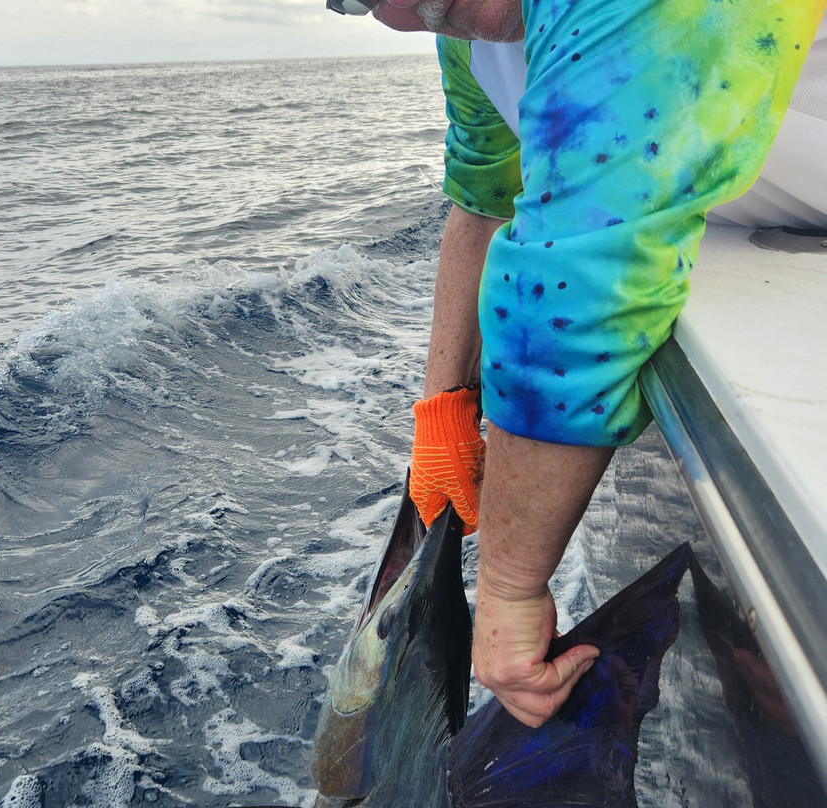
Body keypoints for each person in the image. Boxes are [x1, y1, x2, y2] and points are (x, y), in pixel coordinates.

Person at [353, 0, 827, 727]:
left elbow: (583, 256)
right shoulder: (466, 35)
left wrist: (510, 587)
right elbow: (483, 203)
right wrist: (442, 410)